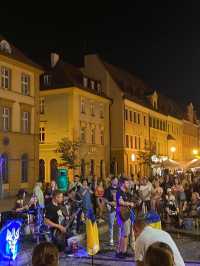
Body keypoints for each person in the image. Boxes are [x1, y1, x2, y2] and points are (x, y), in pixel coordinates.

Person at [116, 177, 135, 258]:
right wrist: (129, 203)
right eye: (127, 183)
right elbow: (120, 202)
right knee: (124, 234)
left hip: (127, 214)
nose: (128, 184)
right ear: (123, 183)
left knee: (126, 233)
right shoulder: (119, 192)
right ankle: (121, 252)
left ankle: (124, 250)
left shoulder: (126, 192)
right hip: (123, 214)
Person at [104, 176, 118, 245]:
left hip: (119, 208)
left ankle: (119, 239)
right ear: (112, 181)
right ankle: (111, 239)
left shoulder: (119, 189)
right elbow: (105, 199)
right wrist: (110, 203)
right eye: (115, 180)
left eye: (117, 180)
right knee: (111, 224)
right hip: (111, 208)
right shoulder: (108, 189)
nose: (116, 182)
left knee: (120, 224)